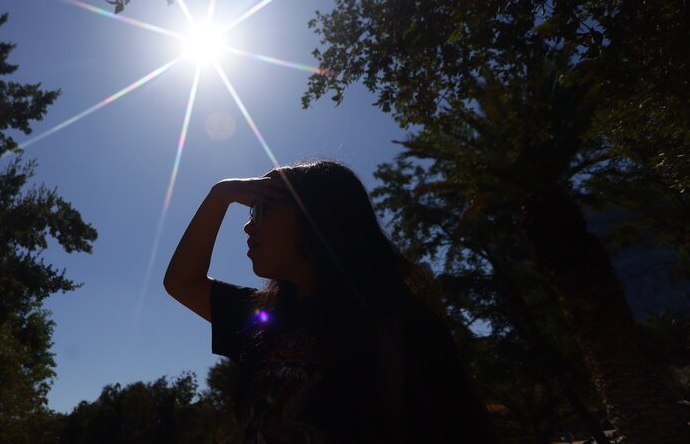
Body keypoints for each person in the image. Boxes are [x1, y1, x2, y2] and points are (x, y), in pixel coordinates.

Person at [163, 159, 496, 443]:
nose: (248, 225)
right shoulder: (262, 318)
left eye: (263, 208)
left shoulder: (402, 328)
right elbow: (181, 282)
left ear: (316, 218)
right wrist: (219, 195)